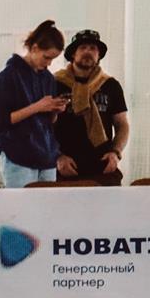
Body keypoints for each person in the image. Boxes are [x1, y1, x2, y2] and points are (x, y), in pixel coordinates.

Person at [0, 20, 67, 188]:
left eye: (53, 59)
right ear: (34, 48)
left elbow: (49, 122)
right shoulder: (9, 76)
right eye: (47, 57)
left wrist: (55, 110)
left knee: (48, 204)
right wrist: (37, 107)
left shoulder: (48, 78)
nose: (49, 63)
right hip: (19, 156)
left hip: (46, 155)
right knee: (21, 203)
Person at [54, 29, 130, 185]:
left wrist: (115, 153)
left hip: (103, 167)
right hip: (65, 168)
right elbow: (43, 126)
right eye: (82, 47)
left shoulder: (111, 85)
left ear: (99, 55)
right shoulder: (55, 83)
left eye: (93, 48)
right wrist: (56, 156)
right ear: (73, 54)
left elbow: (122, 124)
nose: (88, 52)